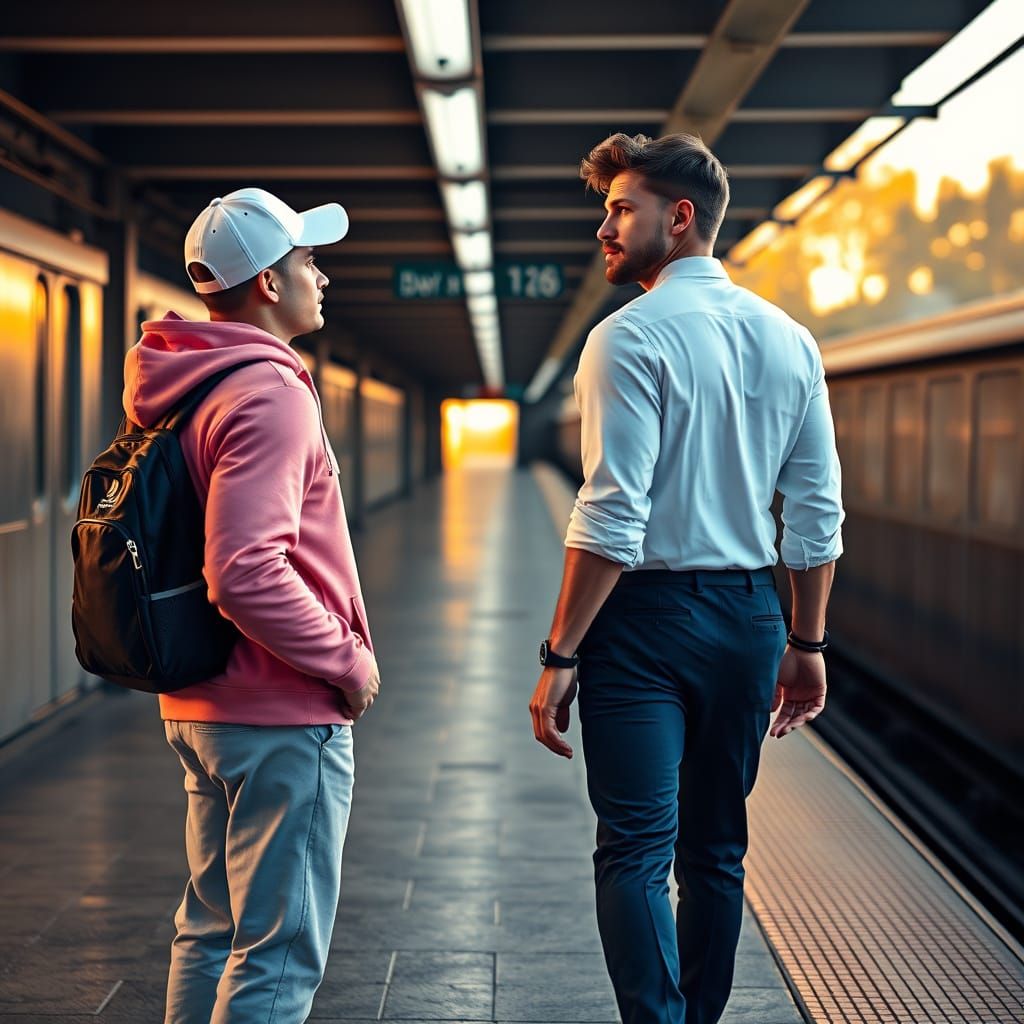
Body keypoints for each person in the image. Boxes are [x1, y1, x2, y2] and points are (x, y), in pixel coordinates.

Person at [529, 133, 844, 1024]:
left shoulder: (626, 338)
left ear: (679, 218)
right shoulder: (791, 341)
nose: (604, 227)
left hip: (642, 623)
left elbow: (612, 516)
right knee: (717, 850)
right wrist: (807, 640)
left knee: (634, 849)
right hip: (749, 615)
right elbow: (816, 512)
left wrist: (561, 653)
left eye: (620, 209)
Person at [122, 187, 381, 1024]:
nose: (322, 277)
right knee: (275, 954)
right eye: (309, 260)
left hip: (204, 701)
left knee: (208, 931)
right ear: (269, 283)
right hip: (277, 709)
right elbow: (243, 571)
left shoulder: (190, 382)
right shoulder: (267, 394)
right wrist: (346, 660)